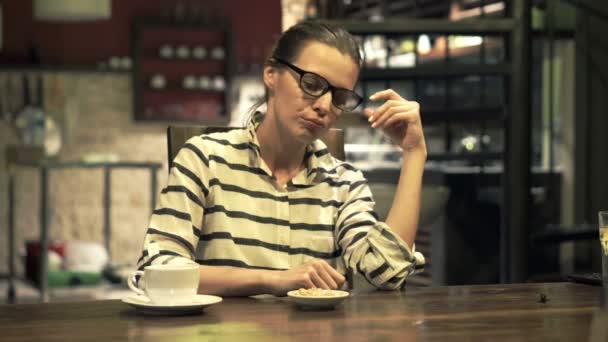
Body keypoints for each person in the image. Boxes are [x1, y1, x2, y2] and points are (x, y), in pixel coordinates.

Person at [136, 20, 427, 296]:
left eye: (340, 97)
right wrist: (273, 279)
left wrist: (414, 153)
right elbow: (156, 271)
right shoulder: (205, 159)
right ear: (271, 74)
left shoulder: (343, 182)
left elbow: (387, 274)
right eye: (312, 84)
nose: (325, 106)